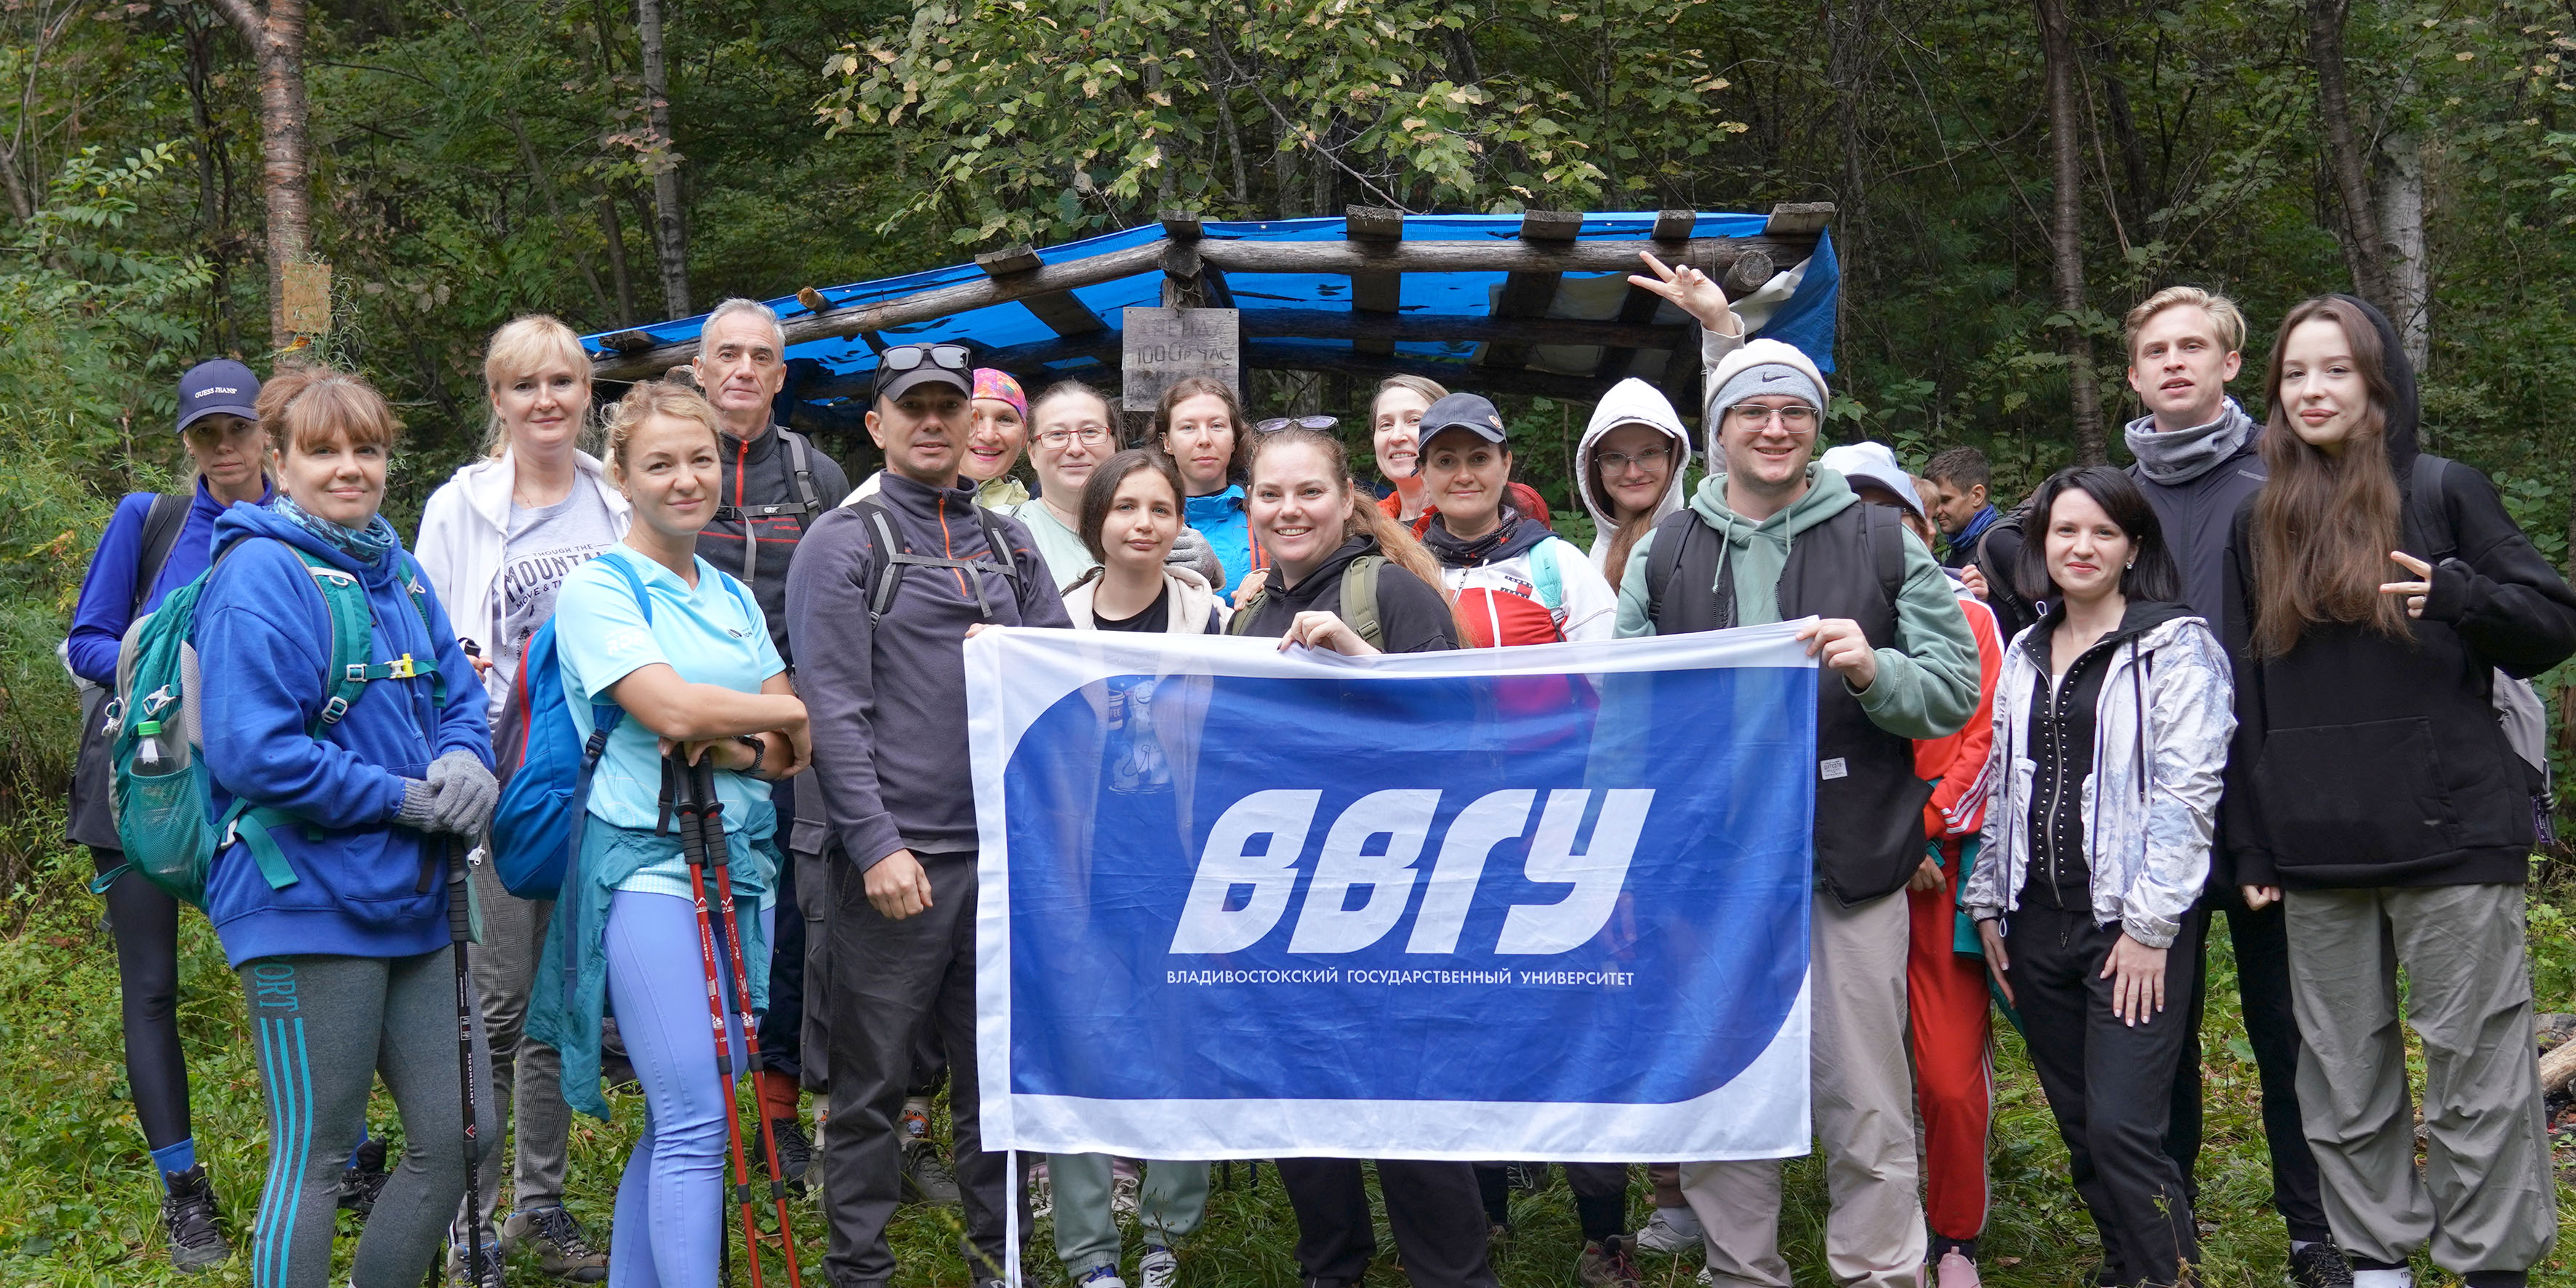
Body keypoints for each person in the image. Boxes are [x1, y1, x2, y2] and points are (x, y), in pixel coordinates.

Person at [1616, 249, 1980, 1288]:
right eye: (1750, 412)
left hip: (1848, 857)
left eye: (1793, 413)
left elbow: (1951, 685)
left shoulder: (1876, 539)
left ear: (1814, 428)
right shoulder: (1669, 548)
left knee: (1865, 1094)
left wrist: (1877, 672)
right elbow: (1622, 709)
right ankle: (1741, 1271)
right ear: (1719, 428)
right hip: (1713, 872)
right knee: (1727, 1089)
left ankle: (1878, 1270)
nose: (1773, 428)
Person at [2224, 295, 2575, 1288]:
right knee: (2338, 1078)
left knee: (2475, 1073)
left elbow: (2551, 625)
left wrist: (2461, 597)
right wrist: (2251, 843)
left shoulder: (2440, 490)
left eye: (2333, 369)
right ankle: (2374, 1263)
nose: (2311, 390)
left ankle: (2489, 1268)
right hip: (2314, 845)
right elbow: (2242, 701)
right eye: (2294, 374)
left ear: (2377, 384)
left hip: (2454, 836)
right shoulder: (2258, 524)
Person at [194, 366, 497, 1288]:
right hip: (303, 898)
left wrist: (464, 760)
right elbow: (253, 750)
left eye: (366, 449)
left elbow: (456, 691)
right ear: (279, 464)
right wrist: (403, 796)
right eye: (323, 451)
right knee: (319, 1151)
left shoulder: (394, 566)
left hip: (414, 895)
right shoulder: (257, 573)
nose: (349, 468)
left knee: (457, 1141)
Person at [786, 342, 1072, 1288]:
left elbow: (1059, 684)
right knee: (869, 1087)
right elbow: (832, 705)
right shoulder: (843, 541)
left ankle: (1002, 1262)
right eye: (914, 408)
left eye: (951, 406)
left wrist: (1018, 648)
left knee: (996, 1081)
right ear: (877, 426)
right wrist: (874, 845)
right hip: (896, 864)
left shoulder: (1009, 542)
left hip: (1000, 859)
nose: (935, 422)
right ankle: (856, 1269)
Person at [525, 379, 811, 1288]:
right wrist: (758, 717)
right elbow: (668, 705)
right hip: (646, 870)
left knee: (680, 1115)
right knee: (696, 1119)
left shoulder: (728, 591)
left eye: (698, 460)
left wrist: (731, 735)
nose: (684, 479)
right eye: (660, 463)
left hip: (741, 867)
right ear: (621, 476)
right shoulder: (598, 589)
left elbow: (791, 743)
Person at [1219, 424, 1490, 1288]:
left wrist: (1363, 660)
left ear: (1347, 499)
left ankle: (1451, 1274)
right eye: (1270, 493)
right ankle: (1330, 1269)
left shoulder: (1397, 597)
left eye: (1309, 492)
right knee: (1303, 1108)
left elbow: (1469, 737)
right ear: (1250, 503)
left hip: (1393, 898)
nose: (1289, 509)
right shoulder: (1246, 614)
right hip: (1280, 897)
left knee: (1407, 1107)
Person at [2116, 286, 2346, 1288]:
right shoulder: (2108, 500)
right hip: (2147, 813)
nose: (2172, 363)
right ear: (2131, 375)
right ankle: (2167, 1238)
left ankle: (2314, 1230)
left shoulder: (2282, 478)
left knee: (2287, 1035)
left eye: (2191, 348)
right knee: (2152, 1035)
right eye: (2154, 350)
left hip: (2270, 804)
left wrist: (2282, 809)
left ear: (2225, 366)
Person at [1965, 464, 2230, 1288]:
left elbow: (2190, 793)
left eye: (2102, 532)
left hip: (2130, 926)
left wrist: (2151, 928)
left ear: (2133, 546)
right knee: (2081, 1123)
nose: (2082, 546)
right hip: (2035, 921)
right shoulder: (2025, 647)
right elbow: (2005, 780)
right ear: (2041, 544)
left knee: (2124, 1126)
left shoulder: (2175, 644)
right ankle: (2128, 1264)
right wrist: (1986, 898)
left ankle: (2167, 1273)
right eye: (2065, 531)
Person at [413, 314, 623, 1281]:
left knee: (562, 1001)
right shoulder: (460, 507)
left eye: (564, 383)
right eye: (526, 386)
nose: (547, 401)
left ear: (588, 393)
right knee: (495, 1009)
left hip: (606, 780)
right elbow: (420, 647)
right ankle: (470, 1219)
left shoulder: (615, 501)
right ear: (496, 400)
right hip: (503, 781)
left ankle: (541, 1204)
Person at [62, 357, 270, 1271]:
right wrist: (166, 670)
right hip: (144, 783)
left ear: (267, 429)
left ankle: (331, 1153)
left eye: (239, 429)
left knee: (284, 973)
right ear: (187, 439)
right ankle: (186, 1194)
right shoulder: (151, 519)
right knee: (150, 986)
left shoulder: (295, 519)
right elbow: (87, 639)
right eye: (206, 433)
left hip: (256, 788)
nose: (224, 448)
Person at [1823, 443, 2006, 1288]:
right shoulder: (1815, 629)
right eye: (1849, 511)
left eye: (1887, 510)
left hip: (1941, 873)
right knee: (1859, 1067)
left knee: (1945, 1071)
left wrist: (1923, 838)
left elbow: (1980, 732)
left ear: (1921, 522)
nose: (1871, 529)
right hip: (1843, 870)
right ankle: (1872, 1223)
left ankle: (1956, 1234)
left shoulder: (1967, 616)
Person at [1039, 448, 1222, 1288]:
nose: (1142, 523)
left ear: (1181, 522)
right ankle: (1086, 1248)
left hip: (1185, 866)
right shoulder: (1046, 625)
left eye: (1159, 507)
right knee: (1077, 1040)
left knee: (1179, 1041)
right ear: (1096, 522)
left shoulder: (1215, 620)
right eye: (1125, 507)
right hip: (1077, 863)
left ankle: (1167, 1231)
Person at [690, 296, 851, 1185]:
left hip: (789, 732)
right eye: (728, 354)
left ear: (781, 376)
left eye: (762, 357)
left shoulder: (815, 475)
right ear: (700, 368)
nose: (744, 370)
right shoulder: (664, 460)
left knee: (790, 920)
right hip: (678, 724)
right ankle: (699, 1109)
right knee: (690, 915)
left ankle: (779, 1114)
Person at [1415, 391, 1615, 646]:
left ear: (1506, 465)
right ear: (1423, 474)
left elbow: (1612, 677)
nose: (1464, 476)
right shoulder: (1407, 569)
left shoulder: (1558, 564)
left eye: (1479, 458)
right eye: (1446, 461)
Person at [1574, 377, 1692, 593]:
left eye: (1649, 453)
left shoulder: (1698, 545)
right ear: (1594, 468)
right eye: (1614, 457)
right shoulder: (1581, 570)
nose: (1633, 473)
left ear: (1673, 459)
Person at [1155, 376, 1261, 599]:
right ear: (1167, 442)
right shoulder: (1144, 518)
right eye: (1188, 427)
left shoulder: (1264, 512)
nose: (1204, 439)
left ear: (1234, 440)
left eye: (1217, 426)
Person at [1008, 379, 1117, 589]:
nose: (1075, 449)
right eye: (1057, 434)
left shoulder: (1152, 526)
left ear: (1114, 443)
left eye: (1091, 432)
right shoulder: (1000, 529)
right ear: (1032, 453)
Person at [1924, 446, 2034, 643]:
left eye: (1946, 500)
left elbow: (2052, 609)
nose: (1937, 510)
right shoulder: (1958, 549)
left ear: (1977, 496)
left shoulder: (1999, 542)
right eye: (1934, 502)